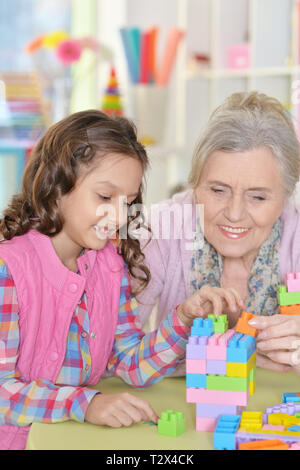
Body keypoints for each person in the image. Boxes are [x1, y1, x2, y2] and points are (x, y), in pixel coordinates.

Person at [0, 110, 241, 450]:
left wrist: (183, 319)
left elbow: (128, 362)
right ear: (55, 187)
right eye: (103, 197)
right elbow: (2, 391)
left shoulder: (110, 266)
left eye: (126, 203)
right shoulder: (7, 269)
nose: (117, 216)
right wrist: (86, 404)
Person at [134, 91, 300, 377]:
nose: (234, 213)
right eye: (218, 190)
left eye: (258, 197)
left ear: (285, 197)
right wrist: (216, 358)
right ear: (195, 182)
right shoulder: (160, 229)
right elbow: (111, 352)